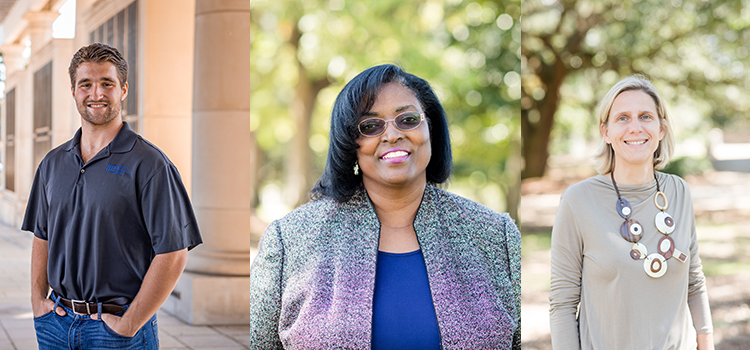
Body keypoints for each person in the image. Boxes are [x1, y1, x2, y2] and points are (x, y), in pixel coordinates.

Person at [249, 64, 521, 349]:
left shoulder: (494, 234)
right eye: (370, 126)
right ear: (349, 143)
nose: (391, 135)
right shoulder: (289, 239)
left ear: (431, 128)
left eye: (408, 119)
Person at [22, 43, 202, 349]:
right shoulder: (52, 164)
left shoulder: (150, 164)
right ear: (73, 90)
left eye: (107, 83)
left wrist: (130, 323)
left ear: (123, 90)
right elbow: (43, 236)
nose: (96, 94)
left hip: (116, 329)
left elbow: (173, 253)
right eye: (86, 85)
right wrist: (38, 302)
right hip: (56, 323)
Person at [549, 75, 714, 349]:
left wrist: (706, 343)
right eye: (623, 118)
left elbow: (694, 281)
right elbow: (563, 304)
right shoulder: (578, 200)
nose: (635, 127)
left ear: (661, 129)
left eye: (645, 116)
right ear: (606, 132)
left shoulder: (679, 192)